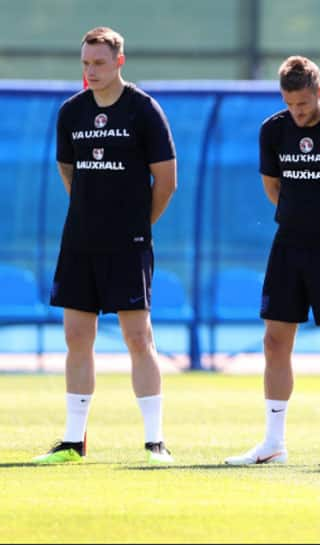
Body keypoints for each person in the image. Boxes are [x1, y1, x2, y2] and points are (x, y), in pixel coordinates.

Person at [224, 56, 320, 466]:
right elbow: (273, 186)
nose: (298, 112)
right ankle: (273, 444)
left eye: (305, 104)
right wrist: (298, 219)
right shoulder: (273, 130)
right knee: (275, 342)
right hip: (288, 246)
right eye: (291, 104)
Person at [33, 27, 178, 464]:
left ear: (119, 61)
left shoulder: (144, 110)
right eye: (85, 63)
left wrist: (135, 225)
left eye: (98, 63)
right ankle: (73, 442)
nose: (90, 71)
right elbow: (69, 171)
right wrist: (91, 215)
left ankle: (155, 442)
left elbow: (167, 183)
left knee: (138, 337)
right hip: (80, 242)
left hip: (128, 244)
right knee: (77, 336)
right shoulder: (71, 112)